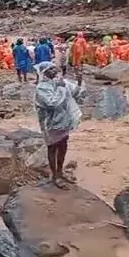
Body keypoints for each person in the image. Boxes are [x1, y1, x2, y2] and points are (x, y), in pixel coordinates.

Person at [34, 61, 83, 189]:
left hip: (64, 121)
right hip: (50, 124)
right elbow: (52, 104)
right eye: (50, 69)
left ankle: (60, 171)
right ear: (44, 73)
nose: (54, 71)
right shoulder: (41, 88)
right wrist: (61, 88)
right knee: (52, 148)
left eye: (54, 69)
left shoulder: (61, 82)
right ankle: (54, 175)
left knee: (63, 145)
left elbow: (76, 93)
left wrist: (79, 81)